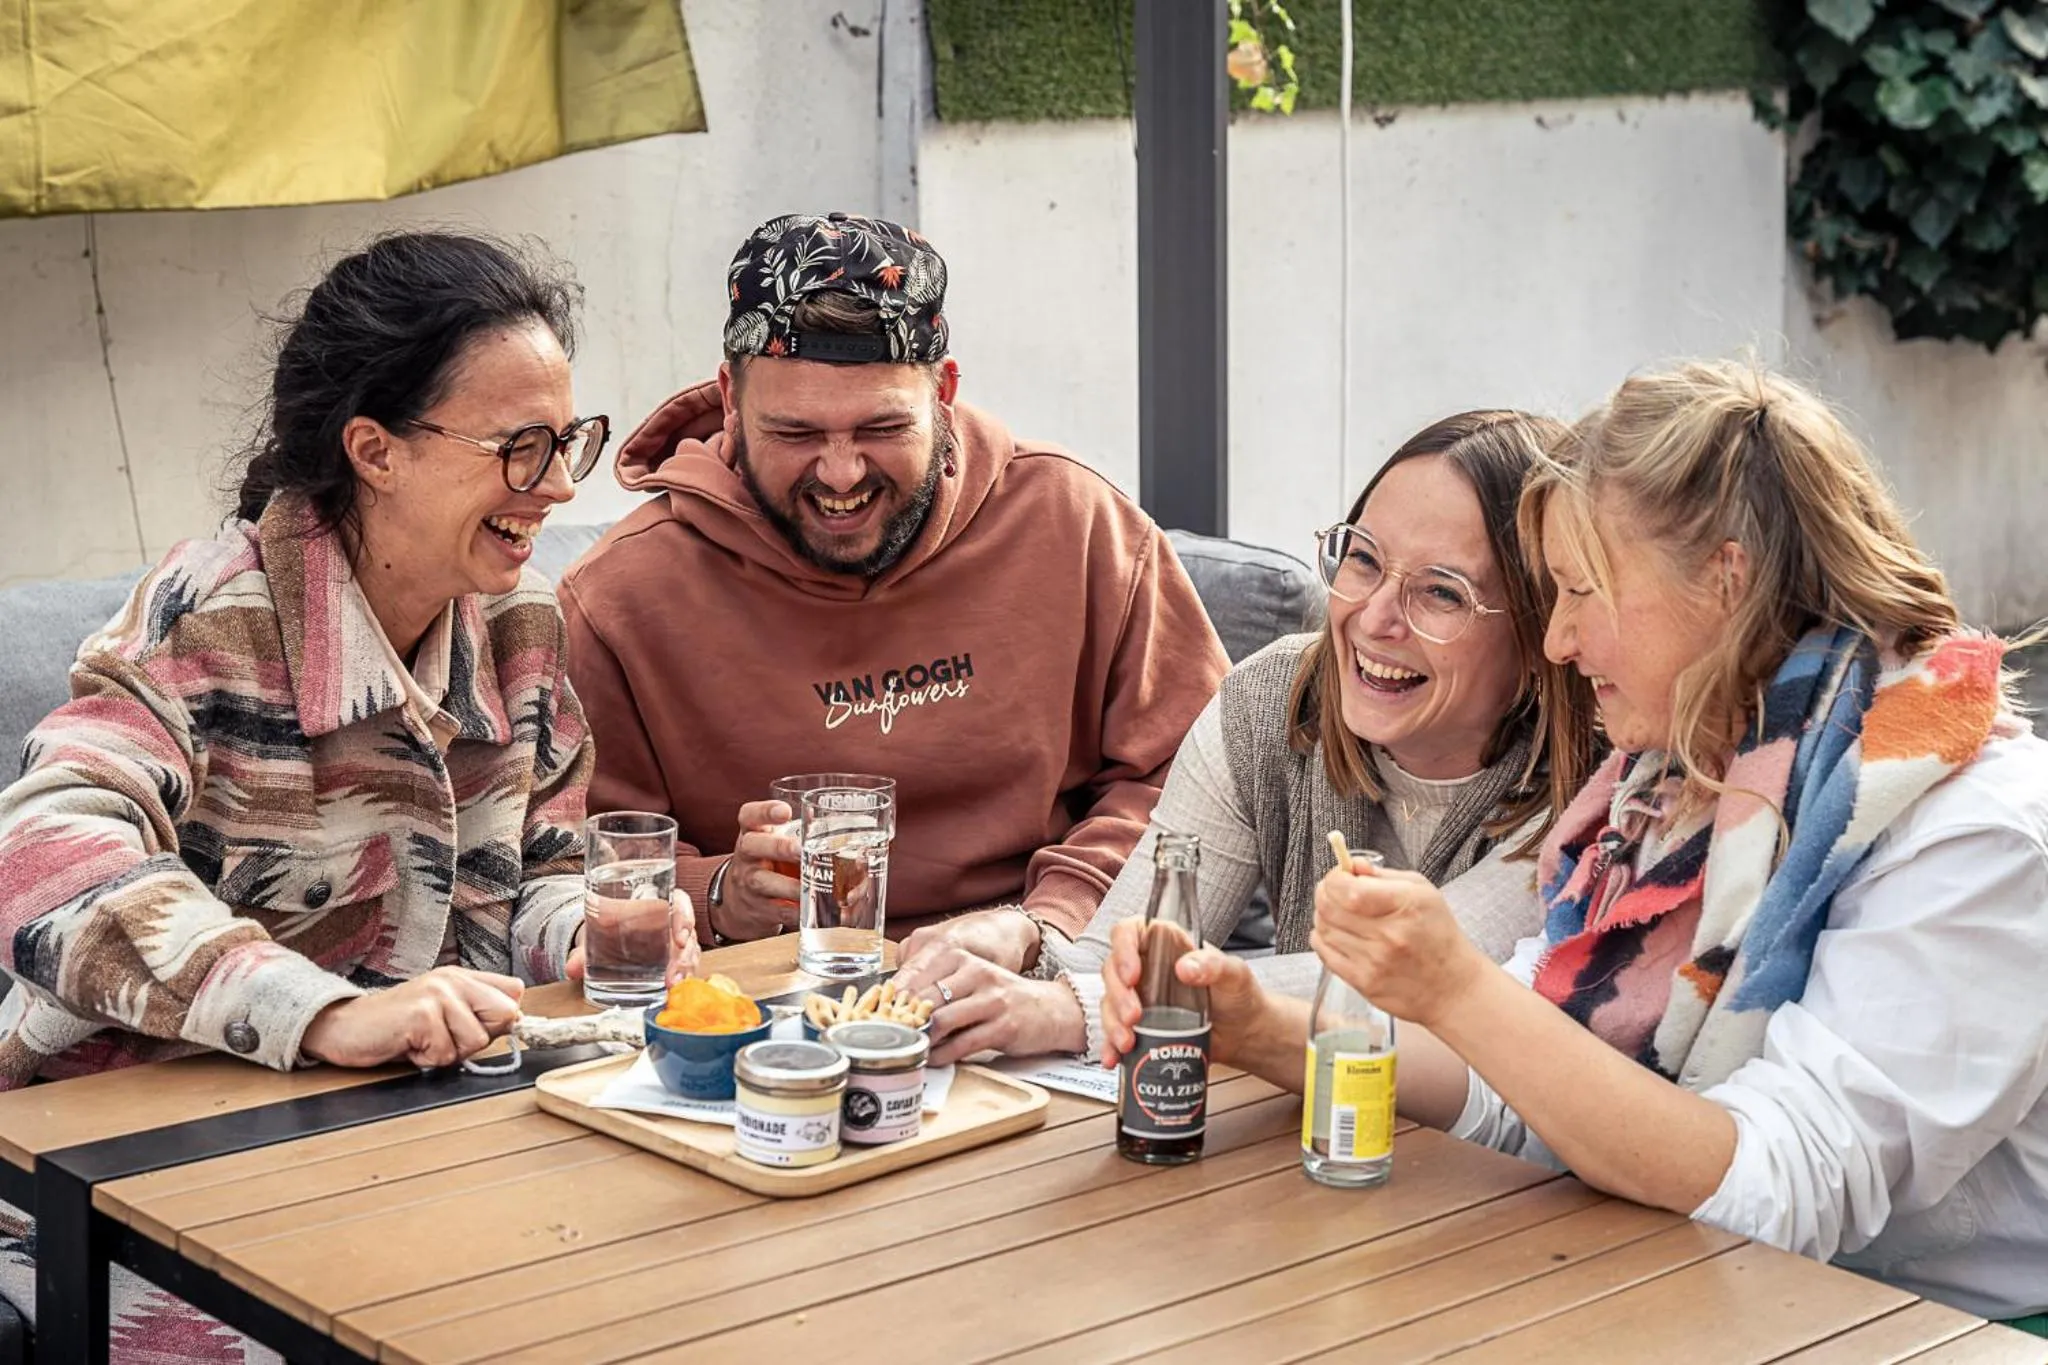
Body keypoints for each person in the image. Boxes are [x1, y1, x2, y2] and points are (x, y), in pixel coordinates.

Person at [1101, 360, 2048, 1328]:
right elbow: (1530, 1083)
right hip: (1681, 1278)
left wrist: (1456, 991)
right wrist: (1260, 1028)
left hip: (1943, 1329)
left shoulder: (1972, 833)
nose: (1555, 641)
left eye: (1580, 591)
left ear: (1724, 582)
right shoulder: (1678, 779)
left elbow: (1779, 1195)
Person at [0, 232, 697, 1357]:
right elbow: (40, 854)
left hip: (397, 1146)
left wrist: (590, 932)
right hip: (125, 1185)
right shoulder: (210, 614)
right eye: (520, 449)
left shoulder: (519, 629)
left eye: (566, 442)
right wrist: (319, 1012)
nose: (562, 487)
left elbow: (541, 871)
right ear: (374, 450)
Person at [558, 212, 1227, 970]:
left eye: (881, 428)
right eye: (795, 434)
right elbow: (573, 859)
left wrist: (1046, 926)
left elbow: (1199, 779)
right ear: (730, 401)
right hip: (756, 997)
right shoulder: (618, 598)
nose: (840, 474)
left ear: (944, 393)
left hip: (1037, 972)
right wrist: (716, 895)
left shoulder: (1077, 522)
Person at [896, 411, 1601, 1065]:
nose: (1374, 618)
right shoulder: (1274, 699)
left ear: (1542, 630)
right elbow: (1121, 954)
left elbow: (1419, 984)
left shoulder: (1600, 784)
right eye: (1363, 559)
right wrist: (1024, 941)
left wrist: (1070, 1007)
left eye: (1442, 592)